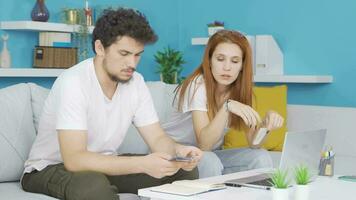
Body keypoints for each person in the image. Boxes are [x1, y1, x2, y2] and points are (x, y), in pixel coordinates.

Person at [21, 8, 202, 200]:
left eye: (137, 55)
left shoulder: (136, 83)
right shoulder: (74, 82)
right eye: (124, 53)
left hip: (104, 164)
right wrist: (142, 164)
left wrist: (178, 152)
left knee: (184, 172)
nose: (132, 63)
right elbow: (74, 159)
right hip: (51, 167)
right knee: (91, 186)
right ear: (100, 48)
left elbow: (157, 138)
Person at [162, 30, 284, 178]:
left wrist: (266, 126)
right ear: (209, 61)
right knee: (209, 159)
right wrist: (227, 107)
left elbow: (254, 143)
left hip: (205, 156)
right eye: (220, 59)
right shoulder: (197, 85)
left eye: (234, 61)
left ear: (242, 66)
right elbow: (204, 145)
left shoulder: (238, 90)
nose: (227, 68)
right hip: (173, 155)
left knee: (260, 156)